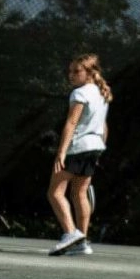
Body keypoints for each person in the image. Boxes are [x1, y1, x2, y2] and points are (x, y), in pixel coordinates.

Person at [47, 53, 112, 257]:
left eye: (77, 71)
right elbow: (104, 125)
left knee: (55, 193)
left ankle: (70, 232)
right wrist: (100, 147)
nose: (71, 75)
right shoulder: (102, 94)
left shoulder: (79, 93)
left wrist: (61, 152)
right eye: (70, 71)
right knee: (79, 193)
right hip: (95, 147)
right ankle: (82, 242)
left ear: (91, 73)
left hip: (78, 147)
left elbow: (72, 123)